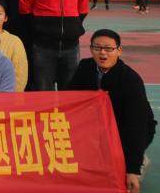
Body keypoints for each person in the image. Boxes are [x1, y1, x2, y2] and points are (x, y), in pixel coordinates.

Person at [67, 29, 156, 193]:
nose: (103, 53)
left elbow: (136, 127)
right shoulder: (85, 67)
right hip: (98, 128)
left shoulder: (130, 80)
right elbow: (70, 99)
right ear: (91, 49)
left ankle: (139, 161)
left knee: (120, 180)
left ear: (119, 50)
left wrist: (132, 169)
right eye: (97, 47)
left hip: (127, 130)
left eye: (108, 48)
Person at [0, 0, 28, 91]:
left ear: (5, 18)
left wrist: (12, 96)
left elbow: (20, 74)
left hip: (7, 95)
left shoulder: (14, 41)